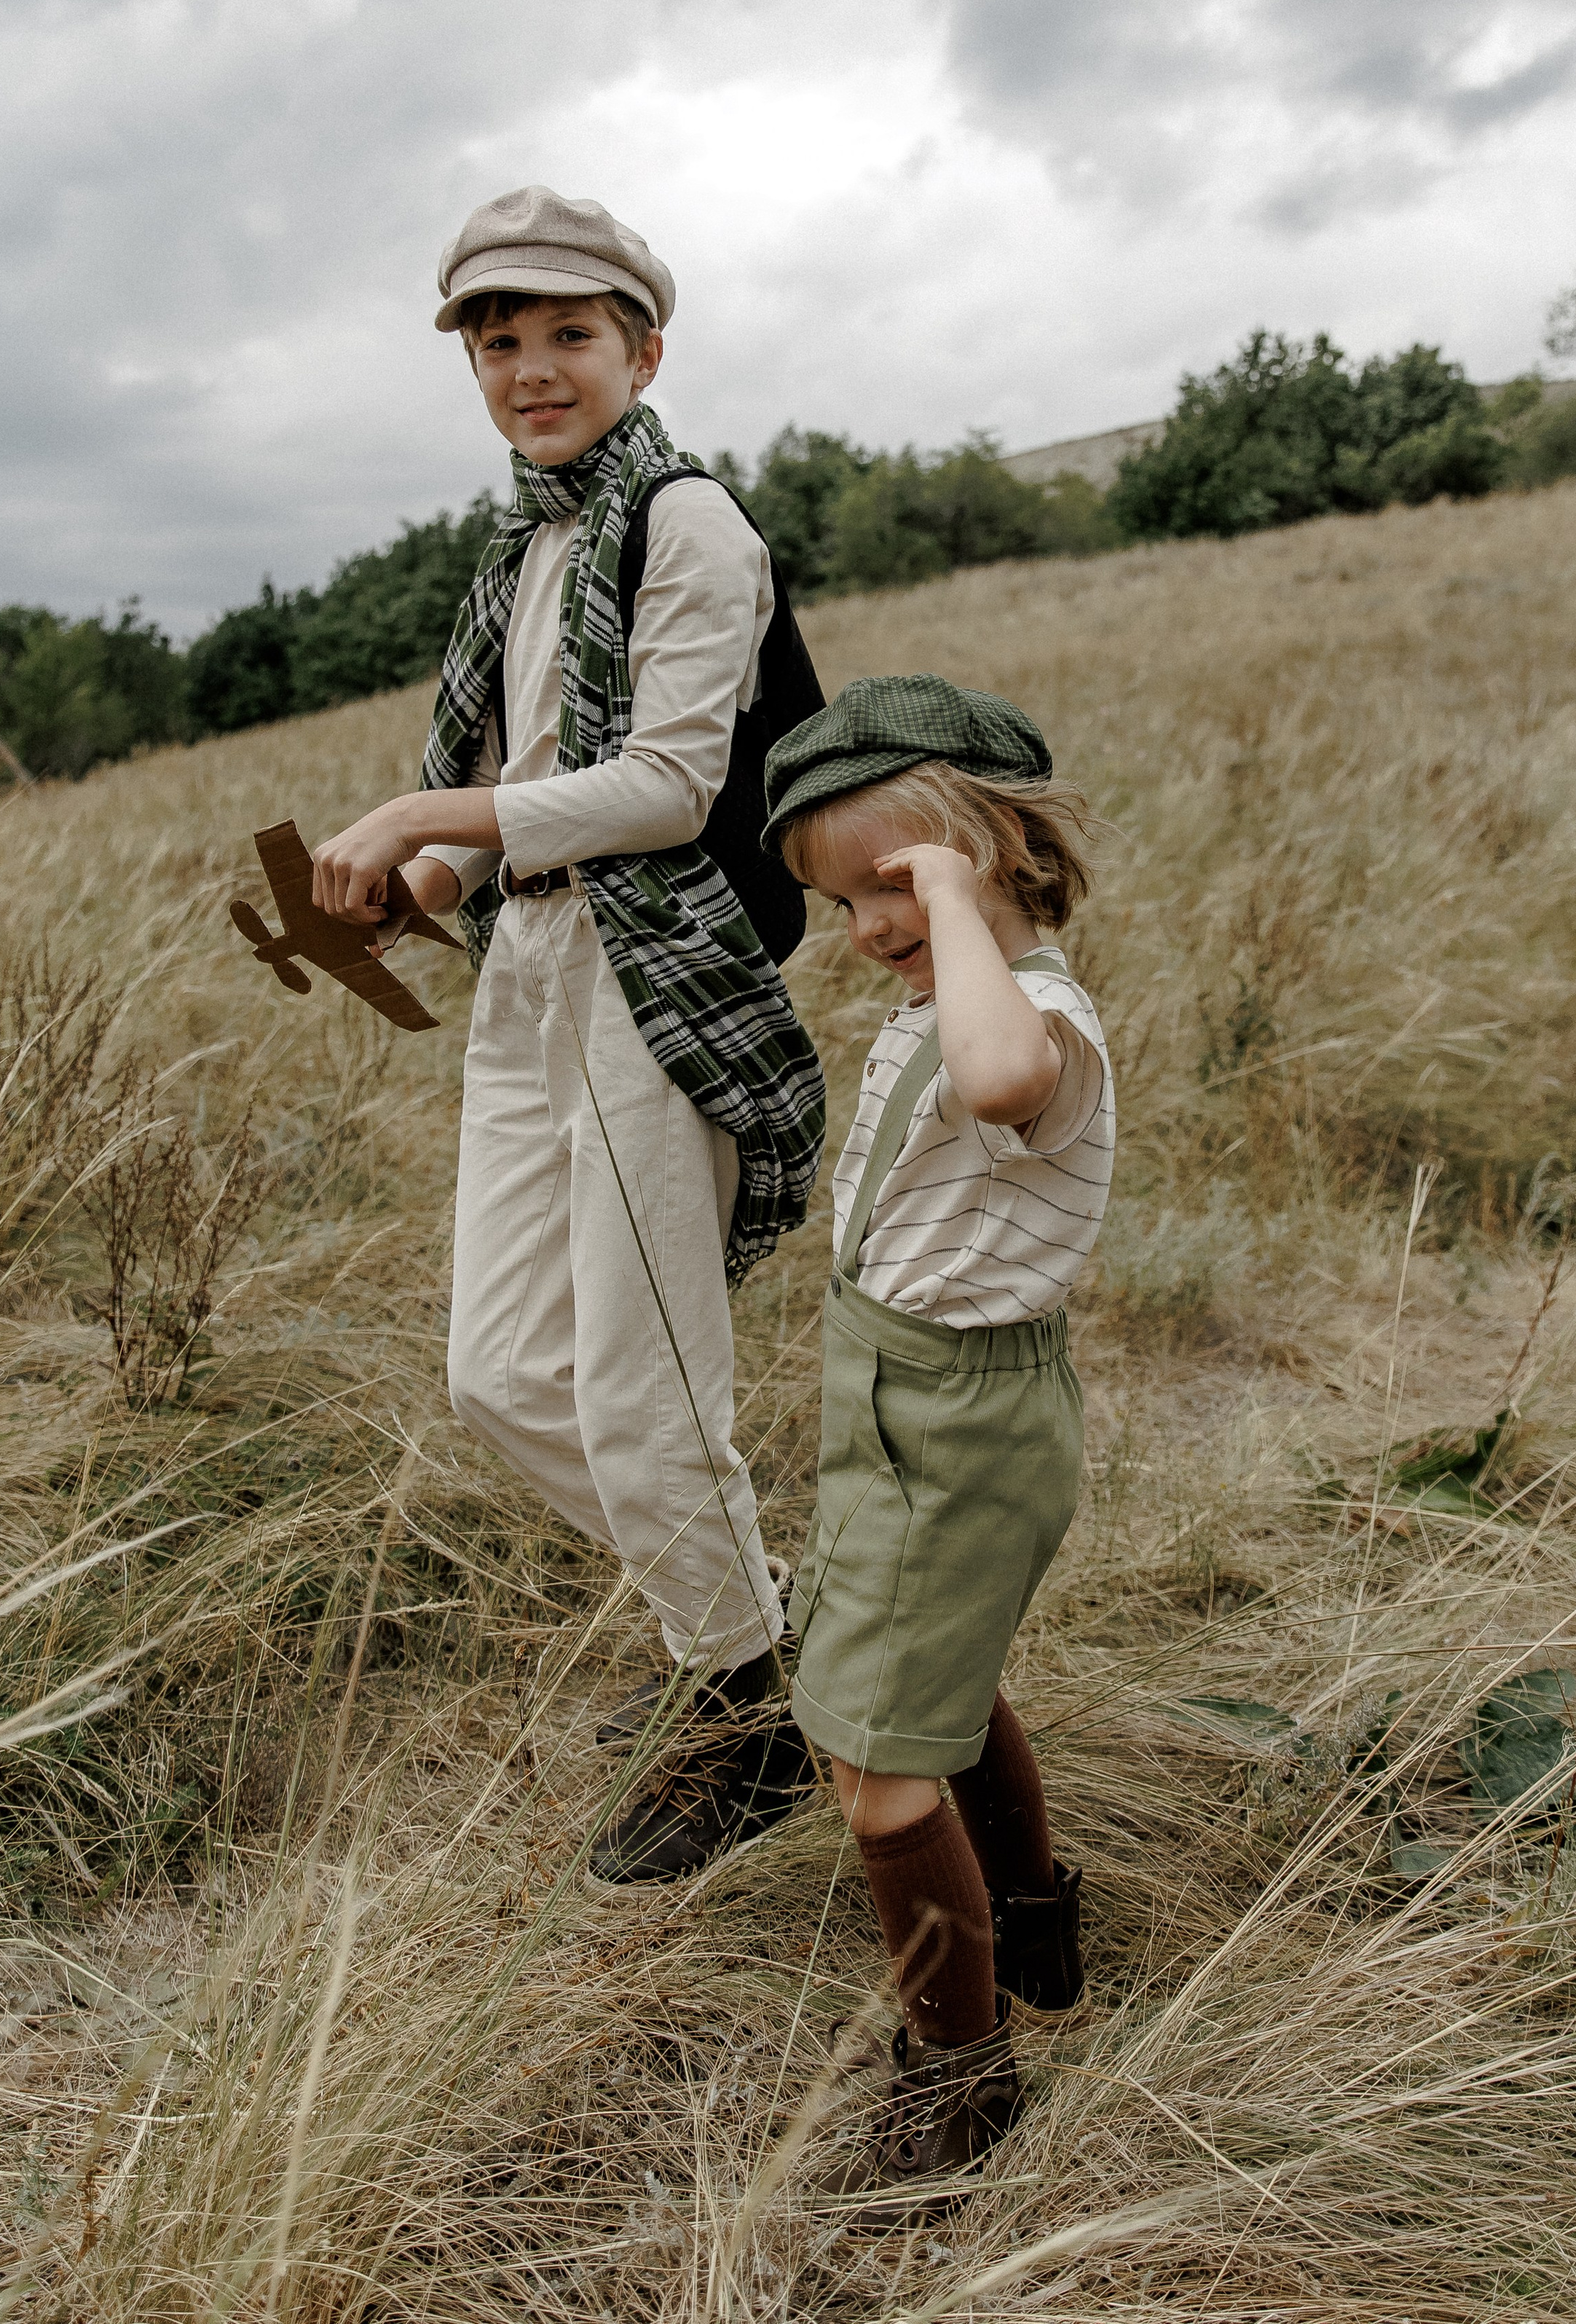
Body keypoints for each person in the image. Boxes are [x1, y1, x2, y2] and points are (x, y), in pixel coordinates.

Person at [310, 186, 825, 1883]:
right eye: (498, 340)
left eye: (566, 335)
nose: (532, 369)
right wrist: (432, 871)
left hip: (651, 975)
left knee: (638, 1384)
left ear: (642, 347)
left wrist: (414, 809)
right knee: (499, 1374)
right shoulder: (525, 547)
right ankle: (751, 1643)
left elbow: (672, 790)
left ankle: (750, 1718)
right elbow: (540, 786)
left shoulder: (687, 525)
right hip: (530, 966)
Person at [760, 674, 1114, 2207]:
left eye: (894, 885)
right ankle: (1029, 1927)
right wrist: (938, 920)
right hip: (895, 1395)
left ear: (993, 851)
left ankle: (958, 2071)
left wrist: (960, 907)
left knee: (874, 1769)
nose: (872, 929)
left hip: (964, 1415)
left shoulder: (1030, 1019)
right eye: (846, 903)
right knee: (932, 1697)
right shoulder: (934, 1002)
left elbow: (997, 1079)